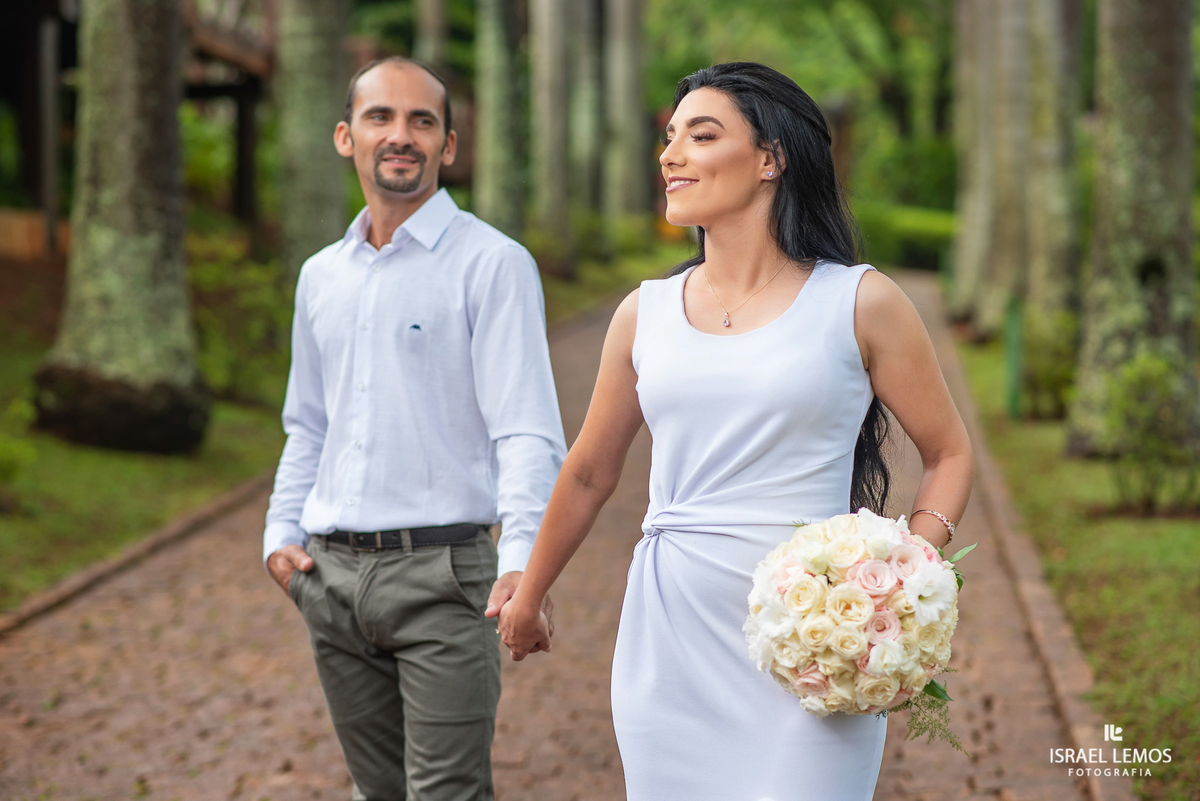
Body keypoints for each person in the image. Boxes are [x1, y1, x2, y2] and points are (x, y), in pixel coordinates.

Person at [499, 62, 975, 800]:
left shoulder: (861, 301)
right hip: (670, 638)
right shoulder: (642, 313)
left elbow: (949, 451)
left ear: (770, 158)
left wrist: (901, 576)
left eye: (701, 133)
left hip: (816, 641)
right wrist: (530, 593)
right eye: (669, 137)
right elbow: (591, 470)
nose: (671, 154)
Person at [263, 56, 566, 800]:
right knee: (378, 793)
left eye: (422, 120)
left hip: (444, 581)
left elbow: (526, 429)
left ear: (448, 146)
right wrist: (280, 534)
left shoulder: (494, 264)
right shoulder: (320, 275)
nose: (401, 135)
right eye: (381, 117)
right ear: (346, 137)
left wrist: (522, 560)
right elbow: (308, 419)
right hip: (329, 581)